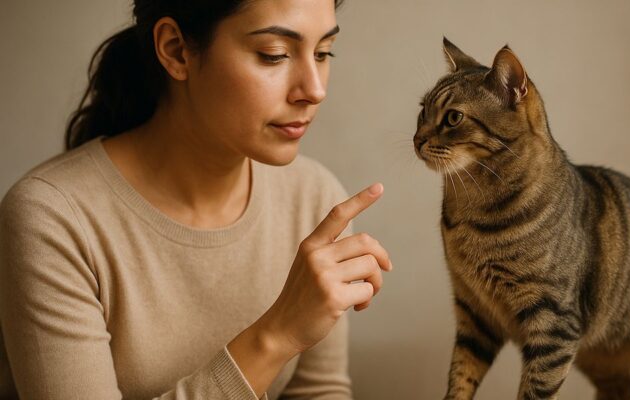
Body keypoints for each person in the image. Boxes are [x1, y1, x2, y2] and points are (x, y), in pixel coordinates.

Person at [0, 0, 392, 399]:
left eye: (323, 52)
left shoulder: (314, 198)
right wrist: (274, 337)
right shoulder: (51, 218)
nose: (315, 89)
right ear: (175, 49)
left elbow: (317, 391)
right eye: (273, 55)